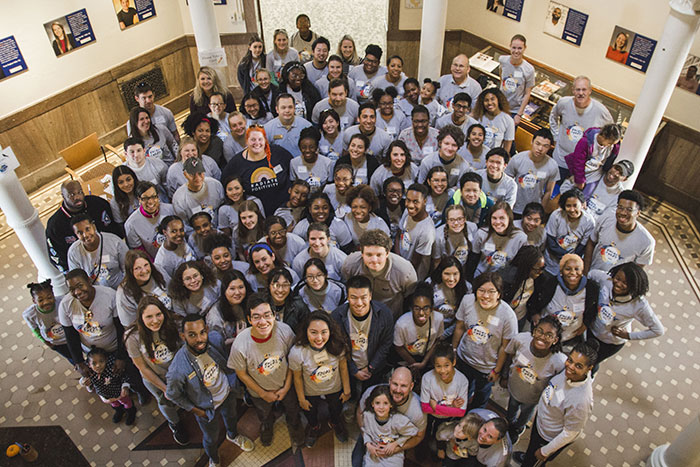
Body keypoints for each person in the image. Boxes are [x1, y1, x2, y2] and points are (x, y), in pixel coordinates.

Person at [167, 314, 255, 466]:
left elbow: (226, 360)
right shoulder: (178, 368)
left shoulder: (214, 339)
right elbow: (173, 395)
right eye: (192, 335)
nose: (199, 339)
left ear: (207, 330)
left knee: (232, 417)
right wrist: (196, 410)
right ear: (183, 336)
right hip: (206, 408)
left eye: (202, 332)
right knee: (210, 438)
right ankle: (214, 459)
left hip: (227, 394)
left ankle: (233, 435)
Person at [228, 292, 304, 448]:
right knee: (264, 413)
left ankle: (295, 424)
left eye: (267, 315)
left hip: (286, 386)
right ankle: (267, 426)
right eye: (256, 317)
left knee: (292, 408)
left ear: (274, 315)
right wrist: (263, 393)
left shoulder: (285, 331)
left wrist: (287, 386)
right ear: (249, 319)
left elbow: (293, 360)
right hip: (259, 392)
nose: (263, 322)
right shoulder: (241, 343)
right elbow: (241, 373)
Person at [514, 341, 598, 466]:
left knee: (533, 461)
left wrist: (545, 451)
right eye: (570, 360)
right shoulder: (568, 372)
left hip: (548, 437)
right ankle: (528, 457)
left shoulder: (581, 400)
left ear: (589, 368)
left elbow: (571, 432)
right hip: (542, 422)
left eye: (579, 366)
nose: (570, 367)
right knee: (532, 449)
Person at [125, 296, 189, 444]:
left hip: (178, 371)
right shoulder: (132, 337)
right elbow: (142, 367)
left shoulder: (172, 324)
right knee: (166, 402)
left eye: (158, 315)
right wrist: (165, 388)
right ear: (141, 317)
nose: (155, 320)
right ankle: (175, 424)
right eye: (149, 316)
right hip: (155, 378)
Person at [452, 272, 517, 409]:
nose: (485, 296)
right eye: (481, 291)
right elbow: (459, 327)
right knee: (461, 392)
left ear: (499, 294)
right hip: (464, 358)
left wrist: (497, 370)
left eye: (491, 292)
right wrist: (454, 350)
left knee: (480, 398)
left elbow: (505, 347)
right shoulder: (467, 301)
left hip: (487, 368)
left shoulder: (508, 316)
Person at [587, 262, 663, 374]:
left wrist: (628, 335)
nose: (618, 284)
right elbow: (591, 274)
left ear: (634, 286)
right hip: (591, 330)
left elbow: (658, 330)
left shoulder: (639, 305)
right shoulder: (606, 281)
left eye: (625, 283)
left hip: (610, 343)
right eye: (617, 278)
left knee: (591, 363)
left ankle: (591, 375)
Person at [290, 311, 351, 446]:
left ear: (330, 331)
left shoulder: (338, 345)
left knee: (336, 408)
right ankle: (314, 427)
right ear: (306, 331)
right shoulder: (297, 352)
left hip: (334, 387)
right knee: (310, 413)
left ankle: (335, 422)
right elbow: (297, 377)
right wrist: (301, 399)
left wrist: (347, 390)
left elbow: (343, 368)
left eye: (324, 332)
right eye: (313, 332)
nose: (319, 338)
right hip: (310, 390)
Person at [502, 316, 566, 442]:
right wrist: (504, 376)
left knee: (525, 414)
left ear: (555, 340)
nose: (542, 337)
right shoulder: (520, 340)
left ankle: (518, 429)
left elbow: (557, 385)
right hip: (514, 387)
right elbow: (509, 355)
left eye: (549, 335)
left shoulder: (559, 362)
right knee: (512, 406)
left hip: (533, 397)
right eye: (540, 331)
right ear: (534, 331)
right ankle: (509, 423)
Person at [331, 275, 394, 392]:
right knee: (350, 396)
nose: (359, 303)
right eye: (354, 297)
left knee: (370, 395)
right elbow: (337, 346)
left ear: (370, 296)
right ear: (348, 297)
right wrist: (353, 370)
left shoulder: (384, 313)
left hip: (374, 366)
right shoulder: (337, 316)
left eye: (363, 297)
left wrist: (371, 367)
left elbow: (386, 343)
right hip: (346, 366)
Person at [353, 367, 427, 466]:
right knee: (356, 463)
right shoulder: (373, 393)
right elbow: (360, 413)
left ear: (411, 386)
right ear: (389, 381)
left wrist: (396, 448)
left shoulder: (417, 410)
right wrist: (368, 442)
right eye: (395, 384)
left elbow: (418, 436)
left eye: (403, 386)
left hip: (396, 442)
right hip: (372, 434)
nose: (398, 390)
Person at [46, 180, 121, 272]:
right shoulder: (55, 226)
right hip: (86, 267)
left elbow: (117, 229)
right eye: (72, 195)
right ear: (63, 196)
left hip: (113, 256)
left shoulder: (98, 204)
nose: (77, 197)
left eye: (80, 192)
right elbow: (58, 259)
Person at [341, 230, 417, 318]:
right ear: (361, 253)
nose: (374, 260)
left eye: (379, 255)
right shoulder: (350, 264)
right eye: (369, 255)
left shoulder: (405, 272)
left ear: (387, 253)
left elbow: (409, 297)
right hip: (360, 315)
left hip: (390, 316)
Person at [549, 76, 614, 177]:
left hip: (581, 166)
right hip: (560, 158)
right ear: (573, 90)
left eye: (584, 89)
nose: (580, 93)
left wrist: (598, 159)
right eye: (577, 89)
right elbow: (553, 116)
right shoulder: (564, 103)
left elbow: (611, 137)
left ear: (590, 91)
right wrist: (555, 136)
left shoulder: (601, 111)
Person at [530, 254, 599, 348]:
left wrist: (586, 324)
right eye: (568, 269)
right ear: (561, 271)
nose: (573, 273)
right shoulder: (550, 283)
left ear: (582, 271)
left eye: (577, 269)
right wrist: (534, 313)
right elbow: (534, 298)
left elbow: (593, 308)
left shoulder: (591, 288)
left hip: (569, 337)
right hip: (544, 334)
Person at [222, 125, 293, 215]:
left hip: (284, 211)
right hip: (255, 216)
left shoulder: (279, 153)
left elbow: (293, 171)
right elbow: (226, 185)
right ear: (246, 141)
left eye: (260, 139)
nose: (257, 143)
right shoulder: (236, 163)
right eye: (253, 140)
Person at [584, 190, 655, 273]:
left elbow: (636, 270)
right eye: (620, 207)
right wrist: (585, 272)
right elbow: (591, 242)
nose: (623, 213)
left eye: (629, 209)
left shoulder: (646, 242)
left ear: (638, 213)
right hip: (592, 270)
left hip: (615, 282)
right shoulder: (606, 218)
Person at [420, 343, 469, 444]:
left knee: (440, 433)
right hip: (430, 415)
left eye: (446, 366)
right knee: (426, 430)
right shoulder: (427, 378)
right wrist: (452, 407)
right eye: (438, 366)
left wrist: (435, 407)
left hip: (446, 418)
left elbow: (461, 412)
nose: (442, 371)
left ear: (453, 362)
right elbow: (424, 408)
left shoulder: (462, 381)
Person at [465, 201, 528, 279]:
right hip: (481, 276)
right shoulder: (482, 233)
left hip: (504, 279)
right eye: (494, 218)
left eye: (502, 218)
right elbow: (473, 260)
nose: (498, 222)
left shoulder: (520, 238)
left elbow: (518, 267)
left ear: (509, 218)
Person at [359, 385, 419, 467]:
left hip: (393, 455)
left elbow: (413, 432)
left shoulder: (398, 420)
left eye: (385, 403)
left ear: (391, 405)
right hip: (374, 453)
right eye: (377, 403)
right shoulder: (367, 416)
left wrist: (395, 443)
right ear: (372, 404)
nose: (381, 407)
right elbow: (366, 432)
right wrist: (368, 445)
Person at [505, 128, 559, 217]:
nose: (540, 148)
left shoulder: (552, 165)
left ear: (549, 147)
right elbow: (506, 182)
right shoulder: (517, 159)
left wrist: (541, 212)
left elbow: (549, 192)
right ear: (532, 142)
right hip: (514, 206)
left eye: (545, 146)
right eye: (538, 144)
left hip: (534, 209)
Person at [394, 284, 444, 374]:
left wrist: (424, 362)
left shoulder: (438, 319)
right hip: (407, 358)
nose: (421, 313)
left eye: (426, 308)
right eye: (417, 308)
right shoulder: (402, 324)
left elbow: (437, 340)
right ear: (411, 308)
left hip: (427, 356)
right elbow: (399, 347)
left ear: (432, 308)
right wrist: (414, 364)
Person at [67, 214, 128, 290]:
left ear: (94, 227)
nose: (85, 235)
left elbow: (127, 268)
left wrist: (123, 290)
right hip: (95, 293)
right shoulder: (73, 252)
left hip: (121, 288)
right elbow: (77, 280)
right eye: (80, 233)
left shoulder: (114, 241)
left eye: (87, 229)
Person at [543, 189, 595, 275]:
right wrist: (566, 256)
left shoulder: (589, 222)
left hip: (571, 265)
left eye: (575, 205)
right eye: (568, 206)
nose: (571, 209)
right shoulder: (556, 215)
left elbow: (582, 246)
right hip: (551, 261)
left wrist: (570, 259)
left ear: (582, 205)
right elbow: (551, 242)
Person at [81, 346, 137, 425]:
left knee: (126, 402)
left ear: (106, 360)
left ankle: (131, 411)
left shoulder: (112, 369)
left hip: (119, 393)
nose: (98, 365)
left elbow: (124, 377)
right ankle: (119, 411)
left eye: (101, 361)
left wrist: (125, 386)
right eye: (94, 363)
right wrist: (84, 383)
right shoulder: (90, 373)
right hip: (106, 395)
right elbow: (85, 382)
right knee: (114, 404)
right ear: (89, 365)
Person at [563, 124, 622, 195]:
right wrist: (580, 180)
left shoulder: (614, 146)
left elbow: (610, 160)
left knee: (585, 196)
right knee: (566, 192)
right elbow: (578, 162)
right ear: (603, 136)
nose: (610, 145)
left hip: (595, 173)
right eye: (609, 143)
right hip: (581, 171)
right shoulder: (586, 141)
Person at [116, 250, 171, 326]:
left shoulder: (158, 271)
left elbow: (173, 292)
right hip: (148, 329)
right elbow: (130, 324)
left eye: (146, 265)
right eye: (137, 268)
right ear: (130, 271)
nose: (144, 271)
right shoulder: (124, 293)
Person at [23, 280, 71, 363]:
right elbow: (35, 330)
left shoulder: (63, 302)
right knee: (72, 358)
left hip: (71, 336)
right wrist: (48, 344)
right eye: (40, 300)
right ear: (34, 301)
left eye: (49, 297)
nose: (46, 302)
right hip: (56, 343)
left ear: (53, 295)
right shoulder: (30, 314)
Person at [124, 181, 175, 259]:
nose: (150, 202)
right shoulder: (131, 224)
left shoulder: (170, 209)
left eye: (153, 197)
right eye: (145, 198)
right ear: (139, 199)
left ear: (158, 197)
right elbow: (140, 251)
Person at [500, 245, 546, 330]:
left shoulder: (538, 278)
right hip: (504, 319)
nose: (540, 272)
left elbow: (533, 299)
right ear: (527, 266)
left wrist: (534, 313)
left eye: (543, 268)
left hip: (520, 317)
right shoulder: (507, 278)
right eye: (537, 269)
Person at [171, 158, 224, 229]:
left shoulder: (215, 185)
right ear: (185, 174)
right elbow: (184, 225)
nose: (197, 178)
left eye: (200, 173)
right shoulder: (179, 198)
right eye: (192, 174)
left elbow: (222, 210)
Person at [397, 184, 436, 281]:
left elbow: (415, 262)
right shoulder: (407, 212)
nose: (410, 205)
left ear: (424, 201)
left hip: (413, 274)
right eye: (408, 200)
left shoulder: (427, 231)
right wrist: (398, 258)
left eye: (415, 202)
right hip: (400, 263)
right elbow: (398, 234)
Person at [428, 256, 470, 340]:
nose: (451, 279)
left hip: (451, 331)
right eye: (447, 274)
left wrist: (444, 335)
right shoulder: (430, 284)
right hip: (430, 327)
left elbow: (462, 318)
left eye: (455, 274)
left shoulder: (467, 288)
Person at [206, 271, 251, 347]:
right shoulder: (214, 316)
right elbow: (217, 345)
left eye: (241, 287)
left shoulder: (248, 302)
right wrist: (239, 338)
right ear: (224, 290)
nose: (237, 292)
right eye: (232, 289)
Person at [499, 34, 535, 127]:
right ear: (510, 46)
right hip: (500, 106)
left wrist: (519, 114)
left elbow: (527, 93)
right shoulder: (503, 60)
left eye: (519, 48)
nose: (516, 51)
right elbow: (501, 76)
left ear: (524, 48)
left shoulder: (529, 69)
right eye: (514, 47)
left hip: (514, 110)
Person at [473, 88, 515, 153]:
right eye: (486, 100)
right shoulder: (477, 117)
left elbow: (507, 147)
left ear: (498, 100)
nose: (489, 103)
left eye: (492, 99)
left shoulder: (508, 120)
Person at [267, 267, 308, 331]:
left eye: (285, 285)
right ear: (269, 286)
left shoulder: (299, 306)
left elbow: (305, 330)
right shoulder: (262, 304)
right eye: (276, 285)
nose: (280, 290)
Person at [377, 177, 405, 242]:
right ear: (384, 192)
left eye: (398, 191)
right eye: (391, 191)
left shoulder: (406, 207)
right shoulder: (378, 208)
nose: (395, 194)